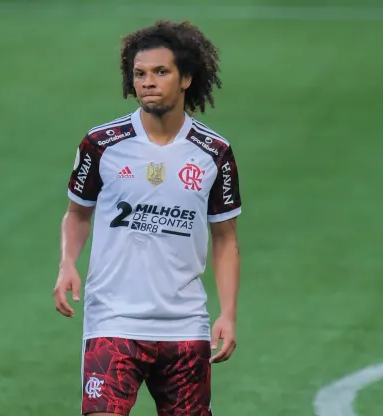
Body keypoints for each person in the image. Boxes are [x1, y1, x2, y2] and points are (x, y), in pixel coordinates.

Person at [53, 19, 242, 416]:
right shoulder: (102, 144)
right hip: (113, 321)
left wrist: (227, 313)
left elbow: (225, 238)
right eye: (139, 74)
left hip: (185, 328)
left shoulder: (214, 152)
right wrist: (68, 263)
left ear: (186, 78)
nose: (147, 82)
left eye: (160, 72)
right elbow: (77, 214)